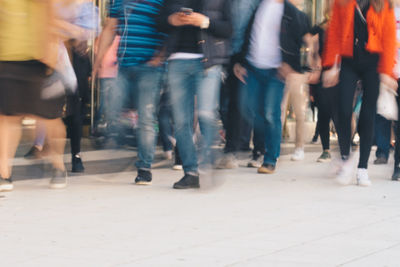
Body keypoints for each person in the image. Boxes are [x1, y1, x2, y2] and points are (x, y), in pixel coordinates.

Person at [322, 0, 397, 186]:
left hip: (373, 63)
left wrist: (386, 72)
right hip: (349, 60)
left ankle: (362, 168)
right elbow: (334, 32)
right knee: (344, 110)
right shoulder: (342, 3)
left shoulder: (384, 5)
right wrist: (330, 65)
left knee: (368, 114)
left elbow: (389, 38)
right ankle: (346, 157)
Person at [158, 0, 232, 189]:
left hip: (208, 61)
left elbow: (229, 29)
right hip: (177, 61)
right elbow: (159, 21)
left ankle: (208, 166)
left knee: (207, 115)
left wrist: (205, 22)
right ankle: (190, 172)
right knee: (181, 121)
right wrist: (172, 20)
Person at [234, 0, 313, 174]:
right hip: (253, 67)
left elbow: (304, 40)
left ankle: (270, 158)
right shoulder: (257, 6)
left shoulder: (291, 12)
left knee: (271, 113)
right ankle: (263, 147)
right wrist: (239, 61)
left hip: (276, 71)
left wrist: (292, 65)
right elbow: (246, 35)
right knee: (250, 108)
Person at [93, 0, 167, 186]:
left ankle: (144, 168)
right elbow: (110, 29)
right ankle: (117, 141)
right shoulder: (117, 2)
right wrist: (98, 60)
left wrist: (159, 58)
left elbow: (167, 30)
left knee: (146, 118)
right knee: (112, 108)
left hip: (149, 68)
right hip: (124, 66)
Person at [216, 0, 263, 170]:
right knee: (229, 105)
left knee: (252, 105)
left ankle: (259, 150)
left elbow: (257, 27)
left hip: (248, 56)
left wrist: (243, 59)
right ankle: (232, 151)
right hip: (225, 55)